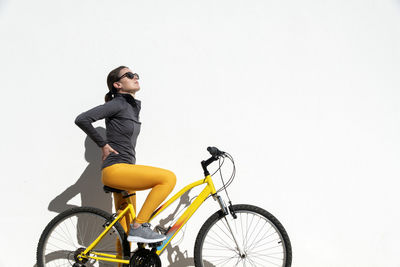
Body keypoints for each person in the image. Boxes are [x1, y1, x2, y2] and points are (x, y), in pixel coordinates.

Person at [74, 65, 177, 243]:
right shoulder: (118, 104)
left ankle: (130, 243)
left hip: (125, 174)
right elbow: (82, 119)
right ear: (117, 85)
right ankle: (140, 226)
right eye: (129, 75)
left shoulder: (131, 107)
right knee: (168, 178)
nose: (135, 77)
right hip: (116, 170)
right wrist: (103, 145)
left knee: (124, 238)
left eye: (136, 74)